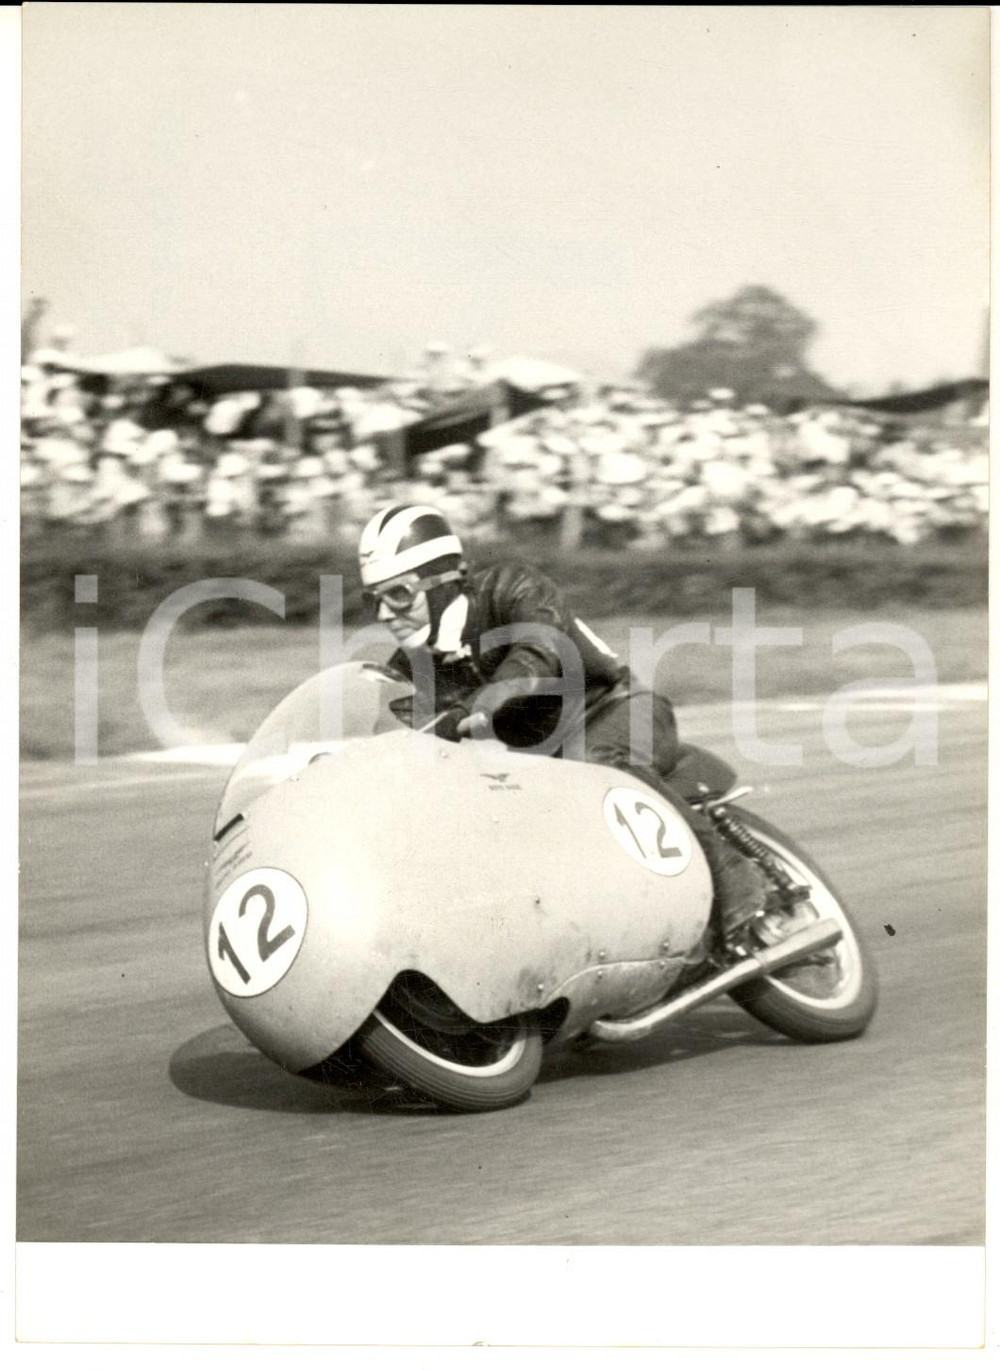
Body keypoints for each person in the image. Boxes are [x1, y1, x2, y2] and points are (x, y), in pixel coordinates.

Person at [358, 502, 777, 955]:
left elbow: (541, 651)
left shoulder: (510, 588)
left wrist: (477, 706)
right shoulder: (411, 667)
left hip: (614, 710)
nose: (384, 612)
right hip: (544, 769)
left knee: (599, 767)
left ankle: (738, 882)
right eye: (373, 598)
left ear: (444, 583)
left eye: (398, 594)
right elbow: (398, 731)